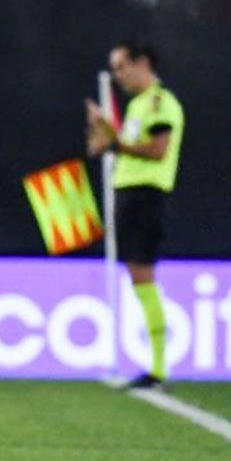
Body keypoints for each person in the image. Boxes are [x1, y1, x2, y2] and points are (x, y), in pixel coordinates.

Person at [85, 39, 185, 389]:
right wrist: (105, 132)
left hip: (146, 196)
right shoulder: (137, 106)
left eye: (122, 67)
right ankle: (155, 366)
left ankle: (158, 367)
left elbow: (157, 150)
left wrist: (113, 143)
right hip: (128, 195)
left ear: (142, 63)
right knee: (138, 277)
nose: (118, 75)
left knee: (144, 277)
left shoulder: (160, 102)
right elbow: (125, 147)